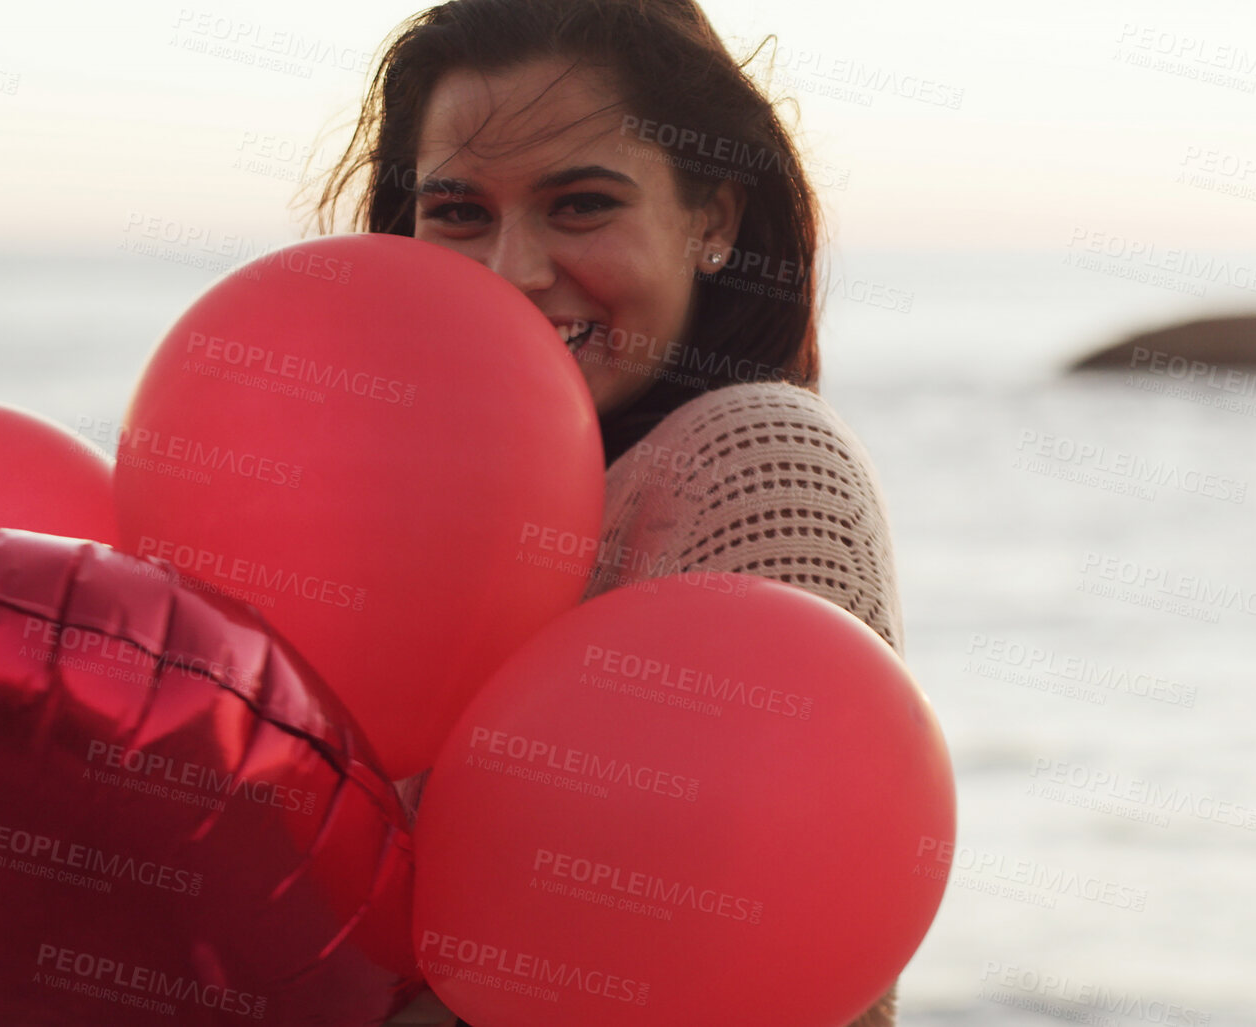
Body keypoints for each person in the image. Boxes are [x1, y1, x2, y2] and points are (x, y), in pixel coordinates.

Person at [311, 2, 906, 1024]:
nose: (512, 273)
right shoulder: (404, 525)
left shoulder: (756, 461)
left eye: (580, 205)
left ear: (711, 220)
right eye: (458, 213)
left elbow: (712, 950)